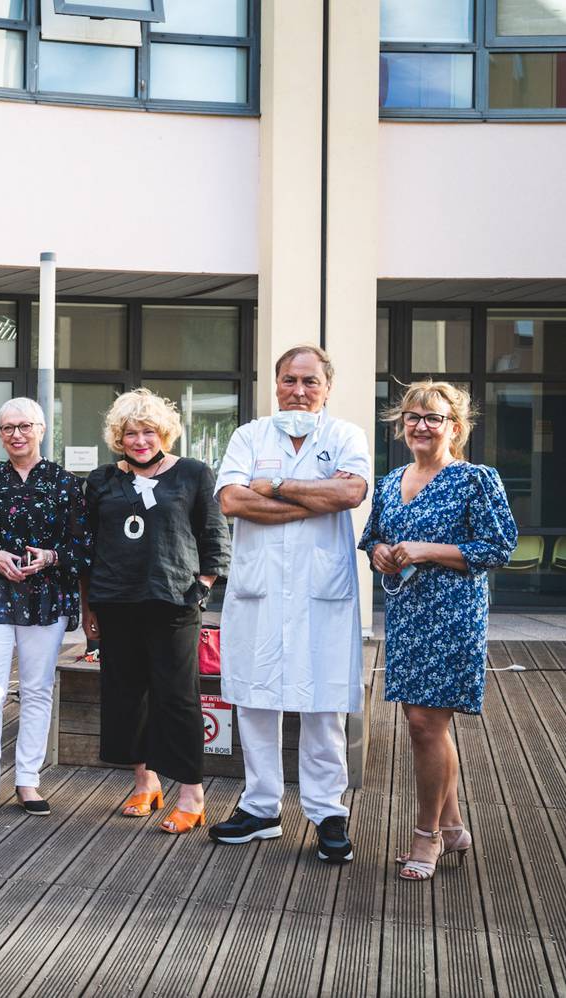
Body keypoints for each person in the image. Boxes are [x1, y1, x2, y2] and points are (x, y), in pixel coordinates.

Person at [210, 345, 371, 864]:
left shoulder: (344, 436)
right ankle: (261, 807)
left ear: (327, 388)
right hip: (260, 589)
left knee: (323, 704)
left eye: (309, 382)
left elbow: (350, 495)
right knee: (256, 699)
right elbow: (233, 501)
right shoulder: (249, 436)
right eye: (288, 380)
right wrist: (312, 500)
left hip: (321, 592)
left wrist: (275, 487)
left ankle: (327, 811)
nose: (298, 391)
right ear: (274, 383)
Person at [359, 381, 516, 880]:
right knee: (420, 725)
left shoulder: (475, 479)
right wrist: (381, 553)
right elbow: (374, 539)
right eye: (413, 417)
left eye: (434, 418)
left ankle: (426, 835)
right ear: (401, 425)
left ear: (455, 426)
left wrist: (426, 549)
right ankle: (452, 828)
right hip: (407, 615)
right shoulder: (390, 480)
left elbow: (499, 546)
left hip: (452, 616)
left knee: (428, 726)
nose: (422, 426)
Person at [81, 389, 229, 833]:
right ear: (118, 437)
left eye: (148, 431)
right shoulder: (102, 480)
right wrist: (88, 605)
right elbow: (86, 546)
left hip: (172, 600)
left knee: (177, 696)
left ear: (163, 432)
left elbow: (215, 538)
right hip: (116, 601)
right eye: (130, 433)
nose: (140, 440)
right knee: (128, 695)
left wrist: (201, 587)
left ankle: (191, 793)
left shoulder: (192, 473)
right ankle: (145, 782)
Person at [0, 398, 90, 822]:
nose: (16, 434)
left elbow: (84, 546)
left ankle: (28, 780)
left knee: (36, 689)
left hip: (44, 598)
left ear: (42, 429)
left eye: (24, 426)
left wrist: (49, 557)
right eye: (8, 427)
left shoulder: (66, 484)